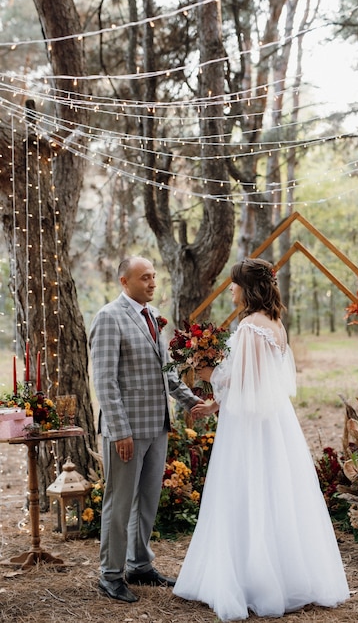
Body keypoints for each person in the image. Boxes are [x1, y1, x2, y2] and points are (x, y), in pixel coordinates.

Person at [173, 258, 350, 621]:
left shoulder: (251, 326)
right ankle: (286, 576)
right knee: (277, 492)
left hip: (249, 424)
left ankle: (253, 581)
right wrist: (215, 399)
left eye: (234, 284)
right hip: (275, 419)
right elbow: (261, 380)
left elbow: (244, 382)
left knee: (248, 490)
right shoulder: (276, 324)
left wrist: (209, 374)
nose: (232, 289)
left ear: (248, 287)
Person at [89, 256, 202, 603]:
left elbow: (166, 373)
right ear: (124, 281)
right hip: (126, 431)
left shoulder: (153, 317)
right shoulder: (109, 318)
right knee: (120, 503)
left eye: (154, 276)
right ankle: (110, 575)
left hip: (158, 426)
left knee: (148, 502)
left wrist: (191, 402)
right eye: (144, 278)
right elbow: (105, 382)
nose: (152, 283)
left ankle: (139, 564)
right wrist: (120, 431)